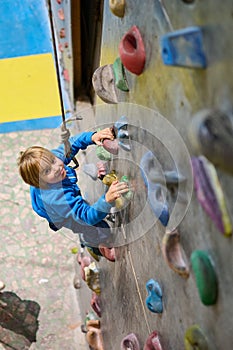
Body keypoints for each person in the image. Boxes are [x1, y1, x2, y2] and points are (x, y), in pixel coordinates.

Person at [17, 128, 128, 247]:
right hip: (60, 214)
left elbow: (72, 143)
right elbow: (86, 217)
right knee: (98, 230)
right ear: (40, 182)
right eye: (47, 171)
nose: (57, 168)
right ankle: (91, 242)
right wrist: (106, 200)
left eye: (53, 160)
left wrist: (93, 136)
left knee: (81, 206)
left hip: (59, 197)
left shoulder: (53, 160)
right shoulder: (58, 199)